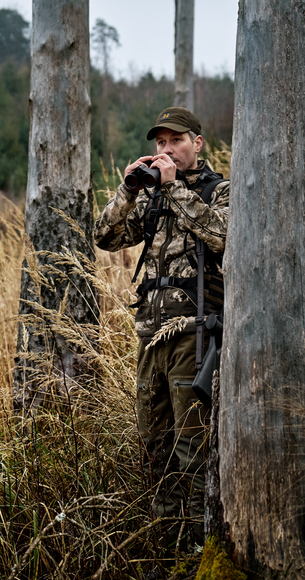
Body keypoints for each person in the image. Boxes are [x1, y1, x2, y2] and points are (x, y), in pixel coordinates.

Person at [93, 106, 229, 548]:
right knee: (156, 448)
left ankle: (196, 548)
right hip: (149, 335)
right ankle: (163, 543)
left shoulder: (218, 191)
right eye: (160, 143)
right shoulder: (150, 197)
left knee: (193, 447)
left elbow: (224, 235)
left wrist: (175, 189)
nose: (166, 150)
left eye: (176, 141)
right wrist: (129, 190)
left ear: (198, 144)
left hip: (195, 331)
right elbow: (105, 237)